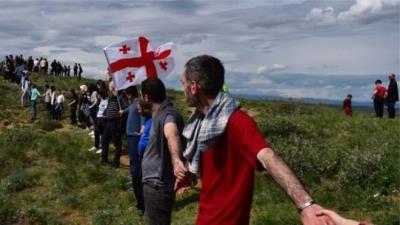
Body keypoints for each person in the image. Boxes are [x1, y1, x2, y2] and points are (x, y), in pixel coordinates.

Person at [179, 55, 332, 225]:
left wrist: (306, 205)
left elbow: (268, 157)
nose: (182, 89)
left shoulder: (237, 122)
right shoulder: (202, 123)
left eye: (182, 83)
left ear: (193, 87)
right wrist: (188, 172)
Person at [140, 78, 186, 225]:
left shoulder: (168, 114)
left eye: (142, 96)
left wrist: (177, 161)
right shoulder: (162, 113)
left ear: (146, 97)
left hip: (157, 185)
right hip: (155, 184)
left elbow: (172, 133)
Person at [119, 86, 143, 214]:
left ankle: (141, 201)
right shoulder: (133, 104)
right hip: (131, 137)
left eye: (127, 94)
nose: (126, 96)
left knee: (136, 165)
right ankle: (135, 182)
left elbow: (143, 115)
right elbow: (129, 109)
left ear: (130, 94)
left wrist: (142, 128)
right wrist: (123, 111)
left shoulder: (139, 103)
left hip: (135, 137)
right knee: (134, 163)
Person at [101, 80, 122, 168]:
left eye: (110, 86)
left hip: (115, 122)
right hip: (108, 121)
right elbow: (109, 107)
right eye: (110, 86)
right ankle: (104, 159)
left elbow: (124, 108)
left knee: (117, 143)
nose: (110, 88)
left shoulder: (120, 97)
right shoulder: (111, 97)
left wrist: (121, 112)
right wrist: (105, 112)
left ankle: (116, 163)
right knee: (104, 140)